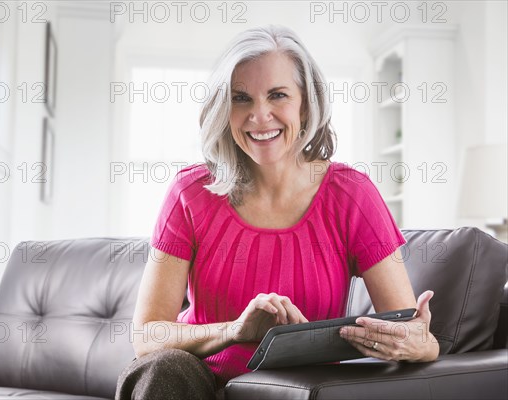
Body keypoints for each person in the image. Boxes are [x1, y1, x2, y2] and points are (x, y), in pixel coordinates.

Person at [116, 25, 439, 400]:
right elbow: (147, 336)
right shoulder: (189, 193)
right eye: (241, 98)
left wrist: (423, 345)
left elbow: (408, 329)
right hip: (197, 385)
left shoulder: (352, 194)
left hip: (298, 389)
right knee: (162, 368)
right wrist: (235, 330)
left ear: (306, 103)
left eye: (277, 95)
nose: (259, 115)